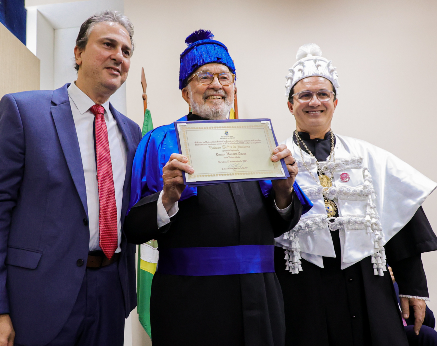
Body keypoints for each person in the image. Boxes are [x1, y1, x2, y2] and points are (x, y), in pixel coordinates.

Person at [123, 30, 311, 346]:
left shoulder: (257, 142)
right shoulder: (159, 142)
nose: (216, 85)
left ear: (234, 88)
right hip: (189, 301)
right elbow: (134, 229)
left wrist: (283, 191)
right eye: (204, 76)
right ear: (185, 92)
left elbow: (281, 224)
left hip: (260, 295)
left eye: (225, 77)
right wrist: (168, 196)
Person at [0, 11, 141, 346]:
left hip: (110, 293)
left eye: (126, 51)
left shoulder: (132, 132)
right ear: (78, 53)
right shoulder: (24, 112)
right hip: (38, 297)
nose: (118, 56)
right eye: (108, 44)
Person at [275, 43, 437, 346]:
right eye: (305, 95)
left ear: (335, 102)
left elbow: (401, 220)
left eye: (323, 94)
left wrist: (412, 288)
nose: (315, 102)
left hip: (366, 283)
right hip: (302, 287)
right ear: (290, 104)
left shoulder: (368, 157)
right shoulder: (276, 159)